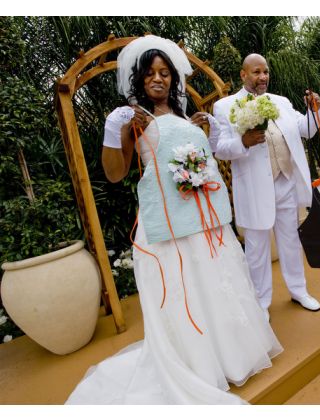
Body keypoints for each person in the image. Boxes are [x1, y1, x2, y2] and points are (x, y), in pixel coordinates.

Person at [66, 35, 282, 405]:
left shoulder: (185, 115)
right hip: (167, 226)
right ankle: (196, 363)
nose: (158, 79)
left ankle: (226, 355)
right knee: (183, 293)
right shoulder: (133, 117)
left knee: (214, 286)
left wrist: (207, 131)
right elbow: (115, 174)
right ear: (140, 79)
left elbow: (212, 159)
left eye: (165, 73)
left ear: (173, 79)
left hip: (203, 222)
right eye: (150, 73)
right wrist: (115, 133)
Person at [212, 53, 320, 316]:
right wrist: (244, 142)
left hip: (285, 182)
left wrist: (314, 110)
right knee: (257, 248)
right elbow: (219, 149)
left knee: (291, 241)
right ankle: (260, 303)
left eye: (265, 72)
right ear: (243, 74)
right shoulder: (225, 106)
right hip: (253, 189)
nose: (263, 77)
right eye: (256, 72)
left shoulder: (281, 102)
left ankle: (299, 291)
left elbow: (305, 129)